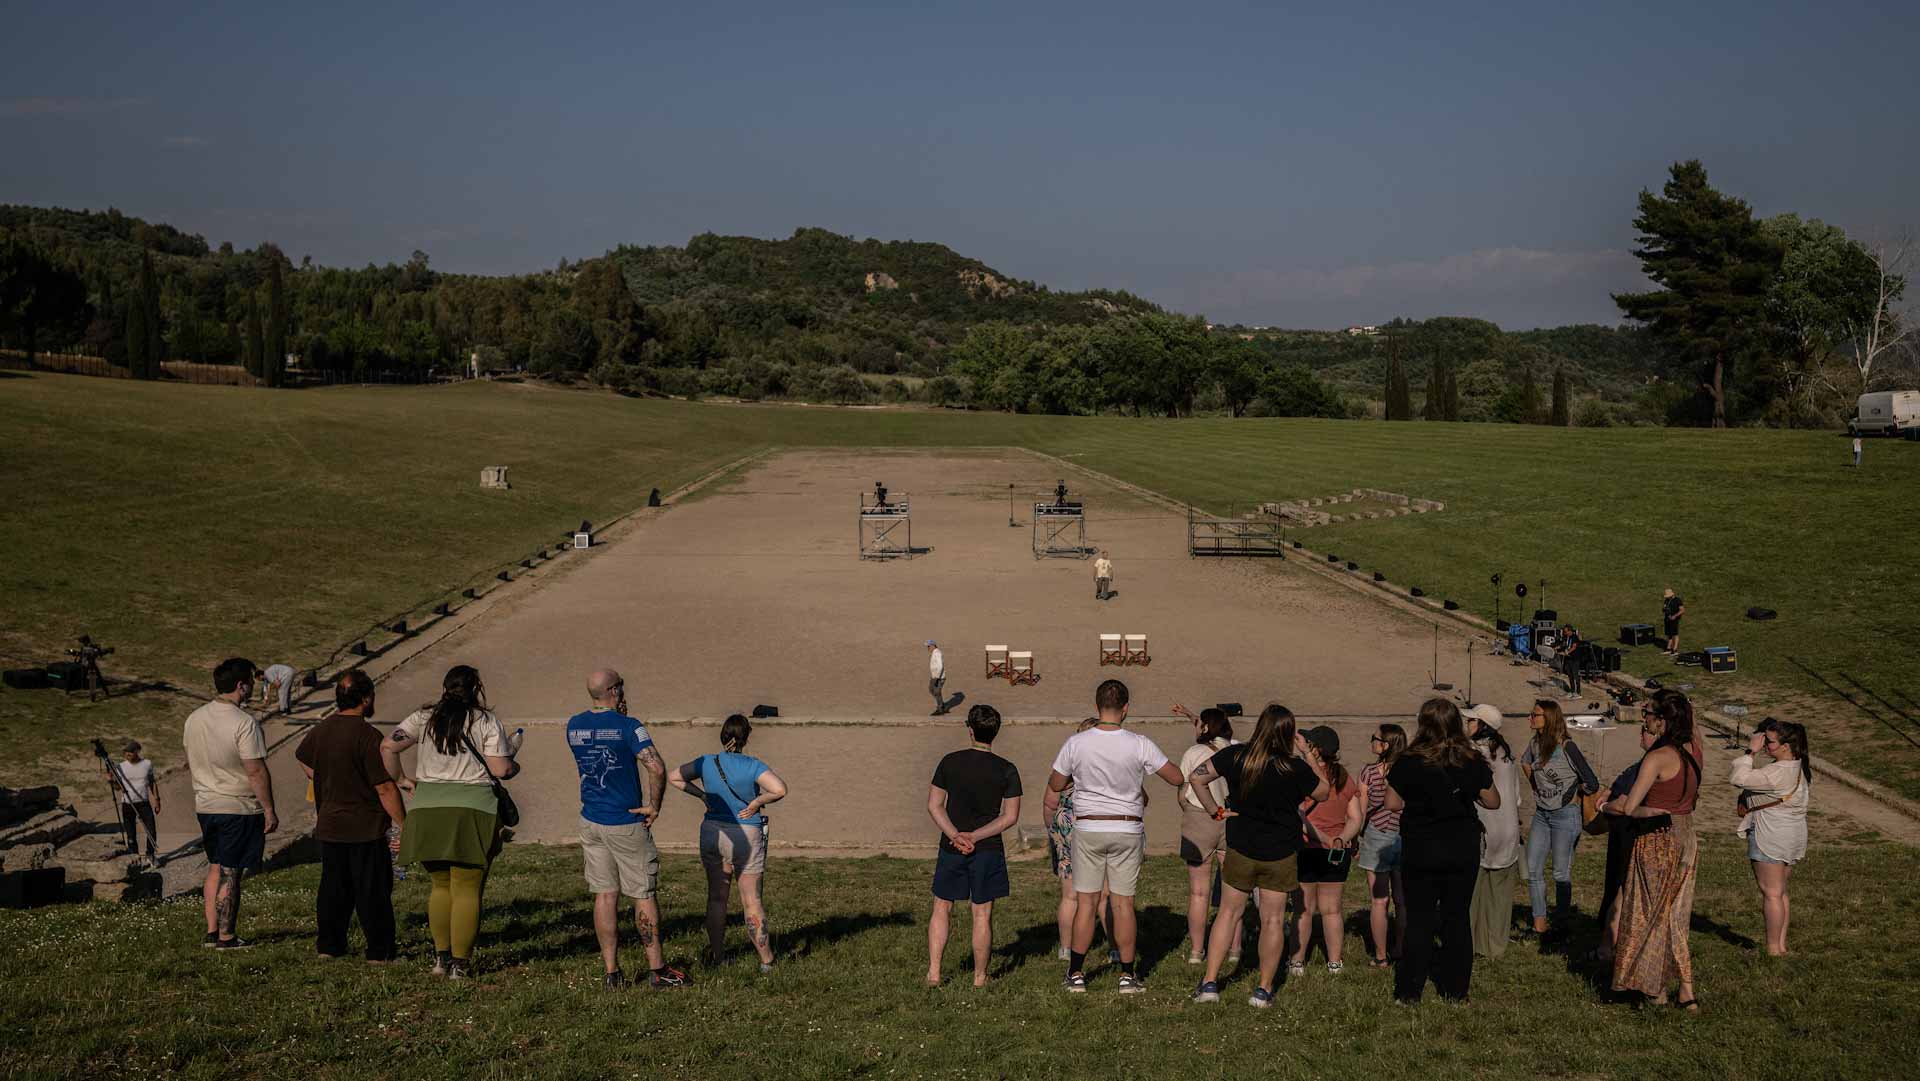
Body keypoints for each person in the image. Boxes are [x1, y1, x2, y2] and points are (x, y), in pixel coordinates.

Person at [1043, 679, 1185, 993]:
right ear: (1125, 709)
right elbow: (1176, 776)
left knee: (1086, 902)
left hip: (1089, 826)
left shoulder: (1077, 743)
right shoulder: (1139, 743)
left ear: (1097, 707)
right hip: (1127, 826)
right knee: (1123, 904)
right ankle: (1127, 975)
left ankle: (1077, 974)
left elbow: (1055, 784)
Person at [382, 665, 522, 980]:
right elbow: (500, 770)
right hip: (471, 809)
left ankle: (440, 959)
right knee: (467, 888)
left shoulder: (423, 718)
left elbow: (387, 746)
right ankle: (461, 964)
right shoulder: (485, 721)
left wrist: (403, 780)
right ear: (477, 688)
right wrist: (514, 765)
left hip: (427, 806)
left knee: (440, 886)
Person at [1186, 703, 1331, 1006]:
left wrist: (1215, 811)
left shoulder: (1235, 756)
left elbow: (1197, 778)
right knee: (1273, 920)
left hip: (1241, 845)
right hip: (1279, 850)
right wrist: (1307, 754)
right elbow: (1323, 792)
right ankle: (1263, 989)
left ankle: (1210, 982)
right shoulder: (1294, 767)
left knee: (1228, 913)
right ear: (1289, 734)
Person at [562, 668, 687, 990]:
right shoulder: (630, 726)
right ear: (614, 690)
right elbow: (655, 766)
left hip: (591, 819)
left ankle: (611, 972)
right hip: (625, 821)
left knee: (605, 894)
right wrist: (654, 805)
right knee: (643, 894)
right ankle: (657, 968)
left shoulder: (574, 725)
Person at [1385, 698, 1500, 1004]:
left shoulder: (1408, 761)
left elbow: (1392, 803)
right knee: (1456, 917)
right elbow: (1493, 801)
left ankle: (1409, 990)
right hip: (1461, 846)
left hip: (1421, 845)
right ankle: (1456, 989)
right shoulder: (1469, 760)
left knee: (1419, 919)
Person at [294, 670, 406, 963]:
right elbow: (384, 787)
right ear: (367, 698)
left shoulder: (321, 730)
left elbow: (304, 759)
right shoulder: (368, 736)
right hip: (365, 827)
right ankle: (379, 951)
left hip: (330, 824)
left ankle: (329, 947)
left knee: (333, 889)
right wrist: (405, 824)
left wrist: (328, 779)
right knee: (372, 891)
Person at [1603, 689, 1702, 1010]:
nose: (1643, 718)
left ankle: (1653, 988)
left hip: (1658, 840)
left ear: (1661, 721)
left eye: (1647, 714)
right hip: (1688, 837)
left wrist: (1609, 804)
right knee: (1677, 914)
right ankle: (1686, 991)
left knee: (1648, 914)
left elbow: (1631, 808)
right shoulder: (1692, 751)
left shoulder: (1657, 758)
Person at [668, 713, 788, 972]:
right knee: (751, 900)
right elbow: (779, 789)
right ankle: (767, 961)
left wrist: (702, 795)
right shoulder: (753, 765)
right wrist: (755, 803)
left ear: (722, 736)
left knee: (716, 898)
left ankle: (718, 956)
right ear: (746, 737)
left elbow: (674, 777)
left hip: (712, 831)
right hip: (746, 834)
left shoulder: (706, 762)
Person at [925, 704, 1023, 987]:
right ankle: (980, 977)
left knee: (942, 907)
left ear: (970, 730)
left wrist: (956, 835)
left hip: (951, 846)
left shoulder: (949, 761)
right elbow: (1010, 817)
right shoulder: (1007, 769)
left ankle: (934, 972)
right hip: (988, 848)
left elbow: (935, 806)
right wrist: (976, 837)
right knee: (982, 913)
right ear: (996, 733)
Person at [184, 658, 278, 950]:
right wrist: (269, 808)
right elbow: (255, 770)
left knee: (215, 866)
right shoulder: (244, 723)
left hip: (206, 804)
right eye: (251, 681)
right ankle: (227, 936)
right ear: (241, 686)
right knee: (232, 871)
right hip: (237, 806)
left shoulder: (195, 718)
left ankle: (212, 931)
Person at [1519, 699, 1597, 938]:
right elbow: (1524, 762)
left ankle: (1562, 925)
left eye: (1535, 715)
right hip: (1542, 815)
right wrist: (1537, 786)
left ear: (1549, 718)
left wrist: (1572, 796)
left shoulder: (1566, 746)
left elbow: (1591, 781)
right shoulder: (1534, 744)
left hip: (1565, 816)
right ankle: (1540, 925)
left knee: (1560, 873)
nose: (1530, 718)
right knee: (1533, 870)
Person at [1731, 721, 1810, 956]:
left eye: (1770, 741)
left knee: (1771, 893)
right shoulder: (1797, 766)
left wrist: (1750, 751)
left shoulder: (1776, 771)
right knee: (1780, 891)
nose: (1766, 745)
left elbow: (1738, 777)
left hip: (1770, 834)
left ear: (1786, 746)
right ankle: (1780, 945)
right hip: (1791, 834)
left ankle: (1773, 949)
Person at [1291, 726, 1364, 975]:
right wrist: (1341, 838)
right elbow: (1356, 817)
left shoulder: (1303, 775)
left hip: (1308, 847)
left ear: (1316, 749)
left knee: (1304, 908)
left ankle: (1297, 961)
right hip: (1337, 851)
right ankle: (1334, 962)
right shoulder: (1344, 776)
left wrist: (1322, 837)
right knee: (1332, 909)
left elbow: (1299, 816)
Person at [1046, 719, 1114, 962]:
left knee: (1070, 895)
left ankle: (1065, 948)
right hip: (1096, 826)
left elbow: (1049, 801)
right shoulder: (1106, 767)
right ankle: (1115, 947)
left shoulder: (1067, 764)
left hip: (1066, 826)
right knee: (1104, 894)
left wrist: (1053, 832)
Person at [1173, 704, 1236, 965]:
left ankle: (1197, 951)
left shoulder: (1194, 752)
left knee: (1199, 892)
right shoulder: (1235, 748)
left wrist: (1184, 804)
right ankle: (1234, 950)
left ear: (1206, 727)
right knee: (1234, 892)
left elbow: (1184, 786)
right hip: (1230, 817)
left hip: (1201, 817)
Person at [1466, 705, 1521, 959]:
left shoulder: (1475, 753)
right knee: (1500, 895)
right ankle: (1495, 945)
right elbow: (1517, 798)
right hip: (1509, 829)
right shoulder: (1506, 754)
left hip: (1485, 829)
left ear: (1482, 725)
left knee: (1474, 892)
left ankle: (1473, 941)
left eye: (1472, 720)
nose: (1467, 724)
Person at [1356, 723, 1407, 968]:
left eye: (1375, 738)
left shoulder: (1369, 773)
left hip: (1377, 834)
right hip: (1403, 834)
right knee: (1401, 898)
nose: (1372, 741)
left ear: (1385, 745)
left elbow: (1362, 810)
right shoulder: (1409, 771)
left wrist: (1354, 836)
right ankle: (1400, 947)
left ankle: (1380, 955)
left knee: (1379, 900)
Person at [109, 740, 161, 860]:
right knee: (131, 834)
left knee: (151, 830)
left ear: (137, 751)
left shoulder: (147, 764)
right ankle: (134, 857)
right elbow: (118, 788)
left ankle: (150, 855)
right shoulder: (120, 767)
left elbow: (152, 783)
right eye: (125, 753)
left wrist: (157, 800)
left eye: (130, 753)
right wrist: (111, 781)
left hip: (143, 803)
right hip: (127, 804)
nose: (127, 755)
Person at [926, 640, 948, 717]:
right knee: (932, 690)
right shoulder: (934, 653)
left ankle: (940, 709)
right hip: (935, 676)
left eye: (928, 646)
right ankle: (942, 705)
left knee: (936, 691)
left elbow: (940, 666)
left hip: (938, 677)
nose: (927, 648)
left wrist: (937, 677)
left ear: (933, 646)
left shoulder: (937, 653)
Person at [1661, 589, 1685, 655]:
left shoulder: (1677, 600)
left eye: (1668, 596)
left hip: (1674, 619)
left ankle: (1675, 650)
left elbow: (1682, 610)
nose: (1667, 597)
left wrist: (1675, 616)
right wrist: (1664, 609)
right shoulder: (1666, 600)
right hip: (1667, 619)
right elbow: (1664, 608)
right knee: (1669, 634)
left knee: (1675, 634)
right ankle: (1668, 648)